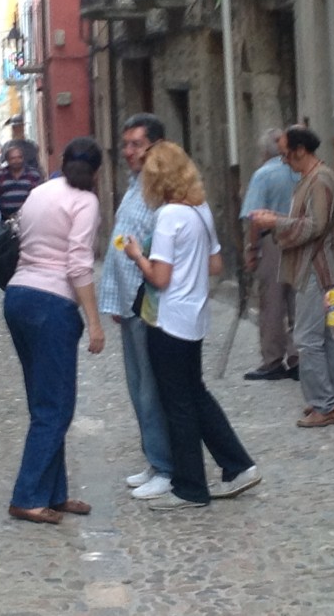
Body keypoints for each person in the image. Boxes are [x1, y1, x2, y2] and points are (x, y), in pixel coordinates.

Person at [123, 141, 260, 510]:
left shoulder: (169, 216)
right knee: (195, 394)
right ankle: (237, 464)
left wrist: (138, 256)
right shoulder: (199, 210)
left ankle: (190, 487)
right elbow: (215, 266)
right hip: (195, 315)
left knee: (177, 403)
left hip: (168, 318)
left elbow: (160, 277)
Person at [3, 137, 106, 525]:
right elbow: (79, 263)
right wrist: (94, 321)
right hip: (52, 303)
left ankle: (54, 492)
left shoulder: (40, 192)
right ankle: (27, 496)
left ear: (62, 161)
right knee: (57, 406)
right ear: (97, 171)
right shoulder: (86, 201)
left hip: (18, 295)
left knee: (43, 401)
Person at [249, 125, 334, 428]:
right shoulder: (313, 178)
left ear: (300, 150)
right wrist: (279, 220)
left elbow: (315, 225)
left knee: (307, 338)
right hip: (313, 265)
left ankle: (325, 404)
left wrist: (276, 223)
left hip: (316, 267)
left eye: (286, 155)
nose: (284, 161)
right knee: (321, 338)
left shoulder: (320, 180)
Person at [98, 114, 174, 500]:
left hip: (150, 304)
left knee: (152, 388)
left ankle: (166, 467)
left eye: (135, 145)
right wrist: (114, 299)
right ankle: (154, 460)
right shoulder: (134, 186)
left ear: (155, 147)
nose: (128, 151)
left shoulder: (160, 192)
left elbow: (155, 251)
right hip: (129, 305)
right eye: (125, 144)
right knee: (137, 385)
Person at [239, 128, 300, 381]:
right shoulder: (300, 171)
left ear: (264, 151)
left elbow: (255, 217)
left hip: (273, 241)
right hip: (300, 238)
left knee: (272, 303)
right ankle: (299, 357)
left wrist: (252, 249)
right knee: (298, 300)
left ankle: (273, 360)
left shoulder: (263, 175)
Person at [0, 144, 43, 228]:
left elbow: (41, 197)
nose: (17, 160)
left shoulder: (33, 175)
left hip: (30, 221)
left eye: (19, 157)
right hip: (6, 221)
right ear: (7, 160)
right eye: (13, 158)